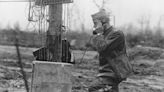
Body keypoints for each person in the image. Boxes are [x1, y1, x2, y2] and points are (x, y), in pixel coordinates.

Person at [88, 9, 132, 92]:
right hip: (106, 71)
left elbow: (102, 48)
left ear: (103, 21)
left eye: (96, 23)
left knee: (94, 88)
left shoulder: (117, 34)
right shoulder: (105, 34)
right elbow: (97, 46)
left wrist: (98, 34)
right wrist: (98, 35)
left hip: (114, 71)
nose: (95, 26)